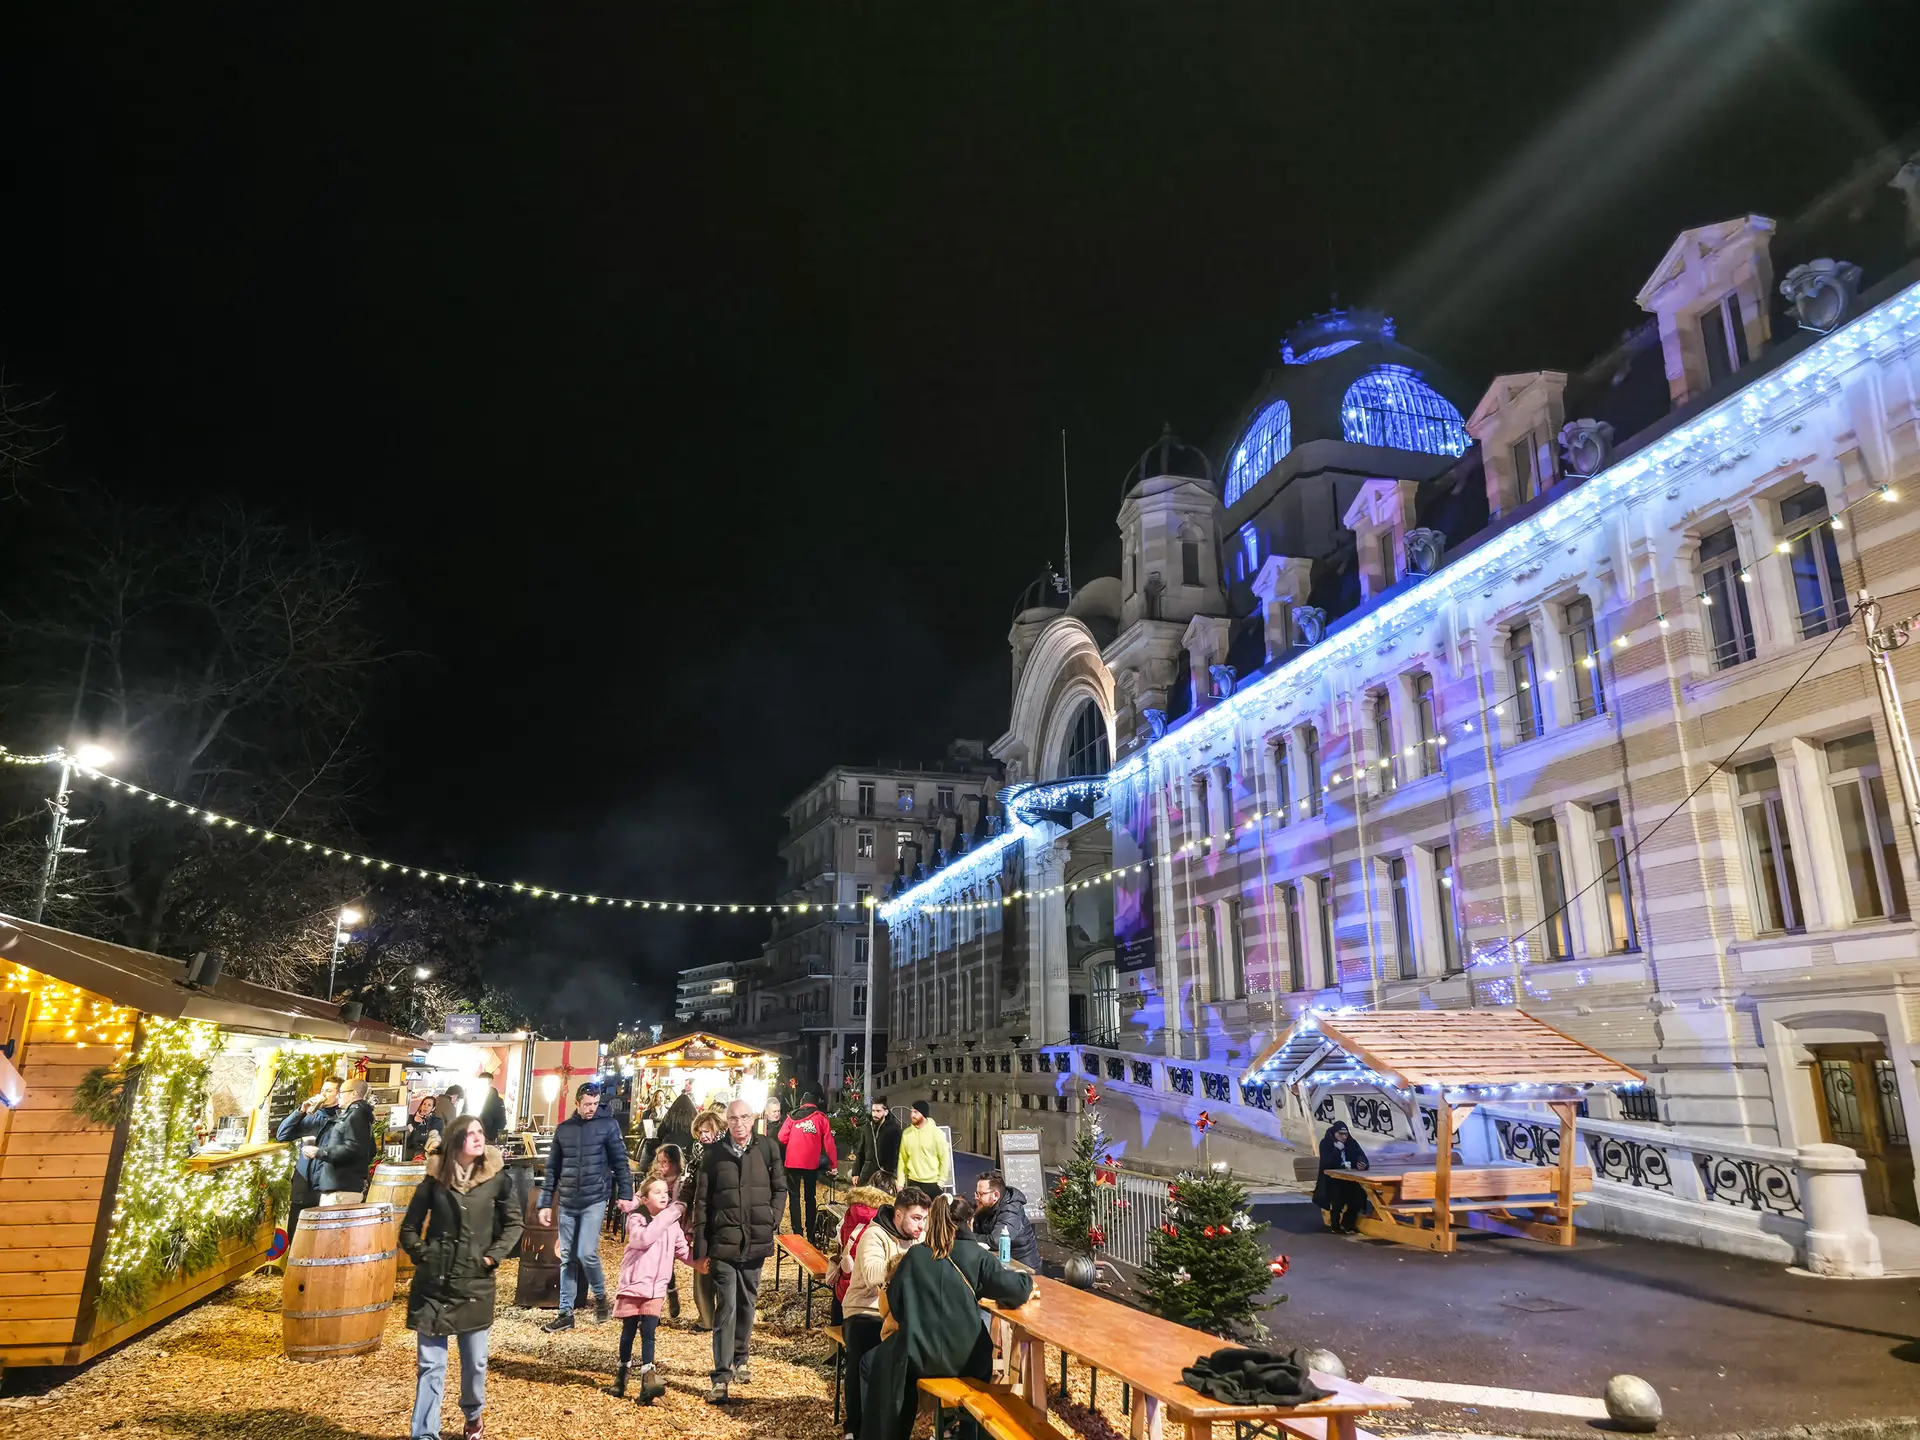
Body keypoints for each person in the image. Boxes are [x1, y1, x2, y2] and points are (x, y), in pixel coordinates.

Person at [859, 1191, 1033, 1440]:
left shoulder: (915, 1256)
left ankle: (882, 1431)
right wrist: (1024, 1279)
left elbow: (897, 1307)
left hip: (918, 1356)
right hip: (969, 1359)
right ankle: (958, 1430)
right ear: (968, 1222)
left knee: (874, 1363)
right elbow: (1016, 1291)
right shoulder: (977, 1255)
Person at [399, 1114, 523, 1440]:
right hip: (434, 1286)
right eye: (470, 1133)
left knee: (475, 1364)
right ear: (456, 1140)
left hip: (474, 1283)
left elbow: (514, 1224)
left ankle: (473, 1414)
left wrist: (492, 1257)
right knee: (430, 1367)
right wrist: (424, 1255)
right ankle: (425, 1434)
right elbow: (410, 1228)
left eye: (480, 1131)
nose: (478, 1137)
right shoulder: (434, 1179)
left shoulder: (496, 1178)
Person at [689, 1098, 787, 1404]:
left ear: (754, 1118)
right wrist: (700, 1246)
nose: (740, 1124)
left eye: (745, 1117)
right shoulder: (714, 1154)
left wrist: (771, 1218)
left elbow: (780, 1187)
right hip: (724, 1242)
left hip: (755, 1238)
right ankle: (721, 1374)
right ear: (726, 1122)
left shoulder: (768, 1148)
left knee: (747, 1302)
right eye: (734, 1119)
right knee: (726, 1307)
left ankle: (742, 1356)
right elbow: (702, 1200)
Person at [538, 1081, 635, 1331]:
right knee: (567, 1257)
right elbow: (552, 1169)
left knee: (586, 1252)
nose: (591, 1108)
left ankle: (601, 1296)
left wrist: (625, 1193)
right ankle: (565, 1312)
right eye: (587, 1104)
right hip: (569, 1200)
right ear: (577, 1103)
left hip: (595, 1197)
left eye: (594, 1103)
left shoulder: (608, 1126)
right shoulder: (564, 1129)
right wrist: (545, 1201)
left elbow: (620, 1162)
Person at [841, 1185, 929, 1440]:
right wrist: (906, 1266)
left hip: (902, 1315)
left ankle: (900, 1428)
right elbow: (871, 1274)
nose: (921, 1226)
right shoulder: (875, 1234)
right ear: (898, 1215)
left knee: (912, 1362)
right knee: (863, 1352)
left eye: (924, 1219)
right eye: (916, 1218)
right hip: (865, 1309)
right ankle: (855, 1428)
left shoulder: (918, 1238)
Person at [606, 1173, 690, 1404]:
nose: (664, 1196)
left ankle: (647, 1378)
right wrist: (670, 1215)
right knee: (629, 1331)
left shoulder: (671, 1223)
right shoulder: (638, 1218)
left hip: (655, 1288)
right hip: (634, 1285)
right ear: (645, 1199)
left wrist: (700, 1263)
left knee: (649, 1332)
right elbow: (643, 1240)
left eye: (666, 1192)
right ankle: (621, 1376)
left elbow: (682, 1249)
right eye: (657, 1192)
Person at [275, 1077, 339, 1241]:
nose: (323, 1093)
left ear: (339, 1095)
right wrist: (300, 1111)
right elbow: (282, 1135)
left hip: (326, 1185)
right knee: (295, 1235)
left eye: (329, 1090)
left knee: (320, 1239)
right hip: (303, 1183)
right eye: (322, 1090)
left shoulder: (343, 1120)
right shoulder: (312, 1116)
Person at [777, 1089, 838, 1239]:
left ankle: (797, 1232)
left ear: (802, 1104)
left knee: (794, 1197)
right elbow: (829, 1143)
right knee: (810, 1198)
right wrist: (834, 1165)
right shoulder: (821, 1118)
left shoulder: (792, 1117)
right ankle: (811, 1234)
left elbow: (781, 1137)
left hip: (792, 1163)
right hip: (811, 1164)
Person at [307, 1076, 375, 1205]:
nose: (338, 1096)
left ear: (354, 1093)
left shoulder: (356, 1115)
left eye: (342, 1093)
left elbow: (354, 1148)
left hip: (342, 1190)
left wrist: (320, 1152)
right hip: (342, 1186)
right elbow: (370, 1150)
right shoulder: (357, 1114)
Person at [683, 1110, 723, 1330]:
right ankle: (706, 1317)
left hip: (723, 1216)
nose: (702, 1136)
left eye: (706, 1131)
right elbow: (690, 1181)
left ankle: (723, 1318)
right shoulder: (697, 1153)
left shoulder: (729, 1152)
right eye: (699, 1132)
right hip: (702, 1215)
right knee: (701, 1265)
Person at [650, 1143, 688, 1321]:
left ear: (675, 1163)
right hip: (655, 1230)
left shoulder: (683, 1181)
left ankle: (671, 1292)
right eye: (659, 1162)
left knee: (666, 1267)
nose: (661, 1166)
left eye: (665, 1162)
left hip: (674, 1229)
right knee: (655, 1269)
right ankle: (653, 1310)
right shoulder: (653, 1181)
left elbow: (683, 1204)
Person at [972, 1168, 1039, 1268]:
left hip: (1022, 1265)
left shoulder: (1011, 1210)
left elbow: (997, 1241)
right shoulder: (985, 1206)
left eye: (981, 1194)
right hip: (1000, 1260)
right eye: (976, 1193)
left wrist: (969, 1236)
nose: (977, 1197)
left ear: (995, 1195)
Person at [1313, 1121, 1370, 1234]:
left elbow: (1361, 1155)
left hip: (1349, 1179)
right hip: (1331, 1179)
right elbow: (1327, 1163)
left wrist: (1362, 1163)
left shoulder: (1351, 1142)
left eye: (1346, 1134)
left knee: (1359, 1197)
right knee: (1337, 1197)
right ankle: (1335, 1225)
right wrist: (1336, 1150)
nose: (1344, 1137)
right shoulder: (1326, 1143)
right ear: (1334, 1133)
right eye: (1341, 1134)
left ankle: (1347, 1223)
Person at [897, 1101, 950, 1194]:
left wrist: (940, 1183)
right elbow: (902, 1160)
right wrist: (900, 1184)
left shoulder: (937, 1133)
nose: (912, 1115)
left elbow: (944, 1160)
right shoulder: (906, 1133)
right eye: (911, 1111)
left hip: (932, 1184)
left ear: (924, 1114)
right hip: (912, 1182)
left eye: (916, 1112)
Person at [850, 1100, 902, 1188]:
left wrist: (895, 1175)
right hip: (867, 1172)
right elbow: (860, 1151)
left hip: (885, 1174)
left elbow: (898, 1154)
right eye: (873, 1111)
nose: (875, 1114)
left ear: (885, 1112)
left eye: (878, 1111)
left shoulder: (894, 1129)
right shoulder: (867, 1127)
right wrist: (856, 1172)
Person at [404, 1094, 443, 1160]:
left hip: (427, 1153)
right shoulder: (411, 1118)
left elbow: (433, 1137)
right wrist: (415, 1123)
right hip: (410, 1152)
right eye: (424, 1104)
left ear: (433, 1108)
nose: (425, 1107)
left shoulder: (437, 1121)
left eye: (429, 1105)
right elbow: (408, 1135)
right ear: (421, 1105)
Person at [477, 1073, 507, 1143]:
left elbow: (502, 1121)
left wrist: (492, 1137)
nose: (487, 1085)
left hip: (489, 1139)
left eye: (489, 1083)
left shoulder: (497, 1100)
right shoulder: (472, 1097)